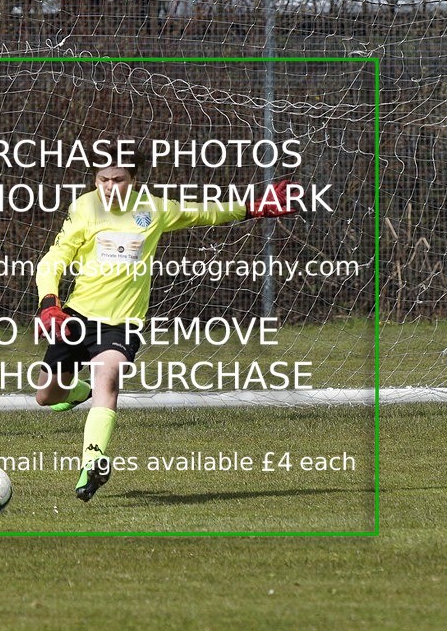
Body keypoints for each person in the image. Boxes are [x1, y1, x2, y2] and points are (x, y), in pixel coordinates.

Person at [33, 138, 298, 501]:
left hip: (122, 322)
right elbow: (54, 258)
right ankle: (81, 392)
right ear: (95, 180)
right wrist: (50, 301)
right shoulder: (84, 209)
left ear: (135, 179)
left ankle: (91, 465)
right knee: (46, 396)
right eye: (104, 179)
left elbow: (203, 212)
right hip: (76, 316)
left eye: (119, 179)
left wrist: (253, 208)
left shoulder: (153, 210)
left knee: (107, 376)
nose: (111, 187)